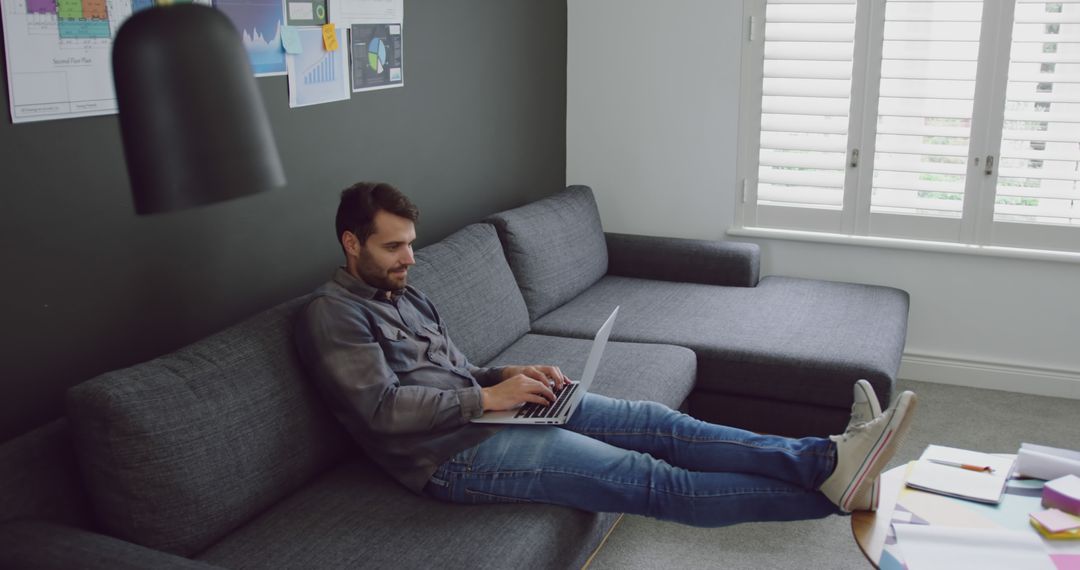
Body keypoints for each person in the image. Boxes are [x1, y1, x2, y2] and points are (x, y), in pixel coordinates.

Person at [293, 181, 918, 527]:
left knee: (660, 423)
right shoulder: (333, 314)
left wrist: (508, 376)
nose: (408, 259)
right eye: (393, 247)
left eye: (411, 245)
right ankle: (836, 492)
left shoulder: (405, 293)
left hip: (487, 413)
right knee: (651, 480)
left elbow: (455, 373)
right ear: (352, 242)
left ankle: (827, 456)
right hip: (449, 459)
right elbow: (381, 409)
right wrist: (485, 398)